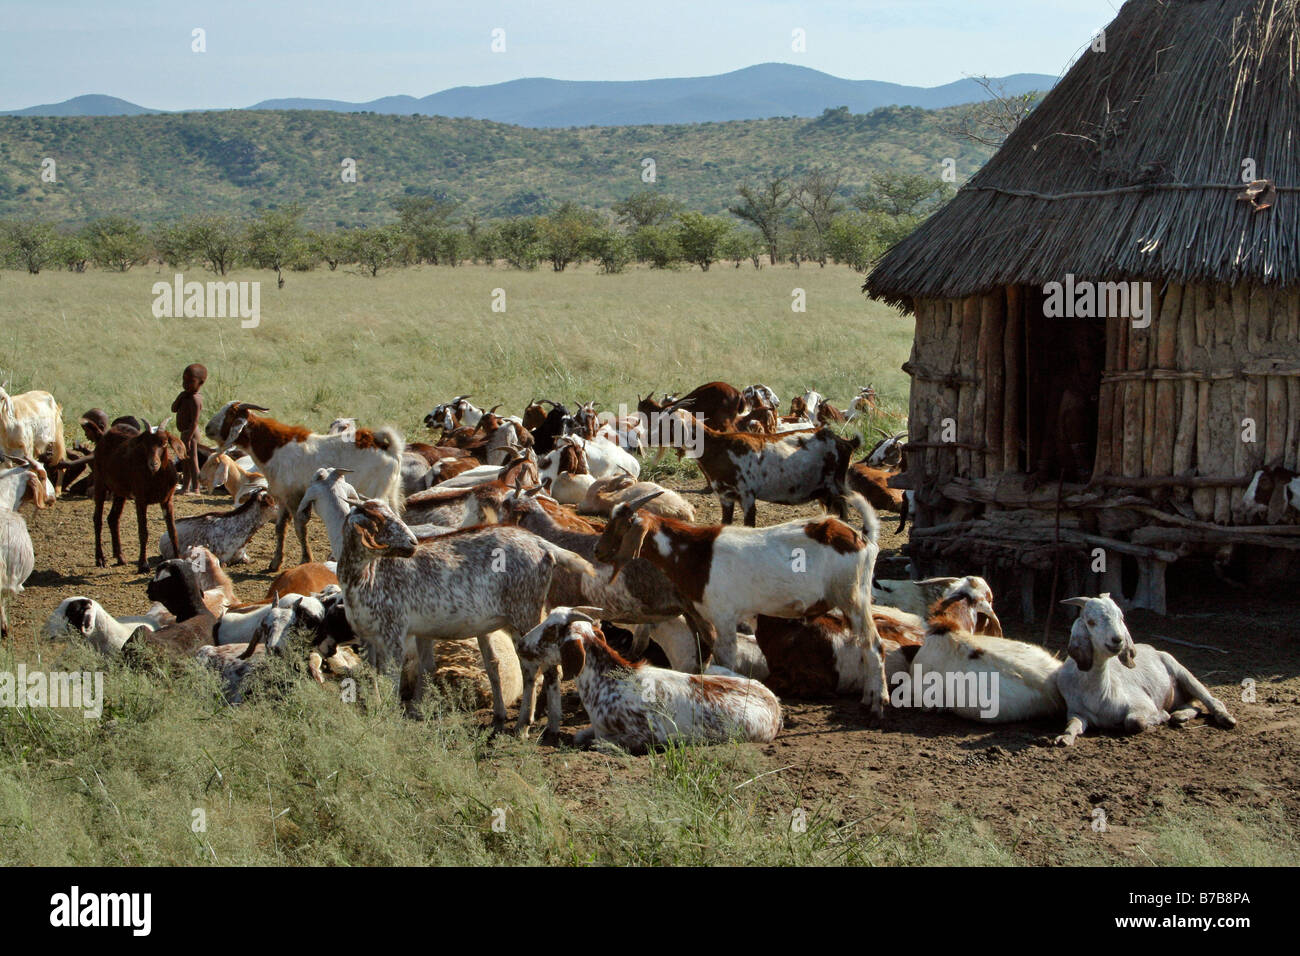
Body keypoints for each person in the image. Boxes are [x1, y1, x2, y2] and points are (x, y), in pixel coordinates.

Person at [171, 363, 207, 494]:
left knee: (193, 462)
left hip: (191, 434)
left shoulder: (195, 399)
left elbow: (195, 421)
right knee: (185, 461)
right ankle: (186, 487)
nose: (186, 384)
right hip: (184, 433)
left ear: (200, 383)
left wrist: (188, 437)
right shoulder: (185, 396)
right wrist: (180, 397)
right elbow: (174, 409)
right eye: (184, 380)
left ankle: (196, 488)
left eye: (190, 381)